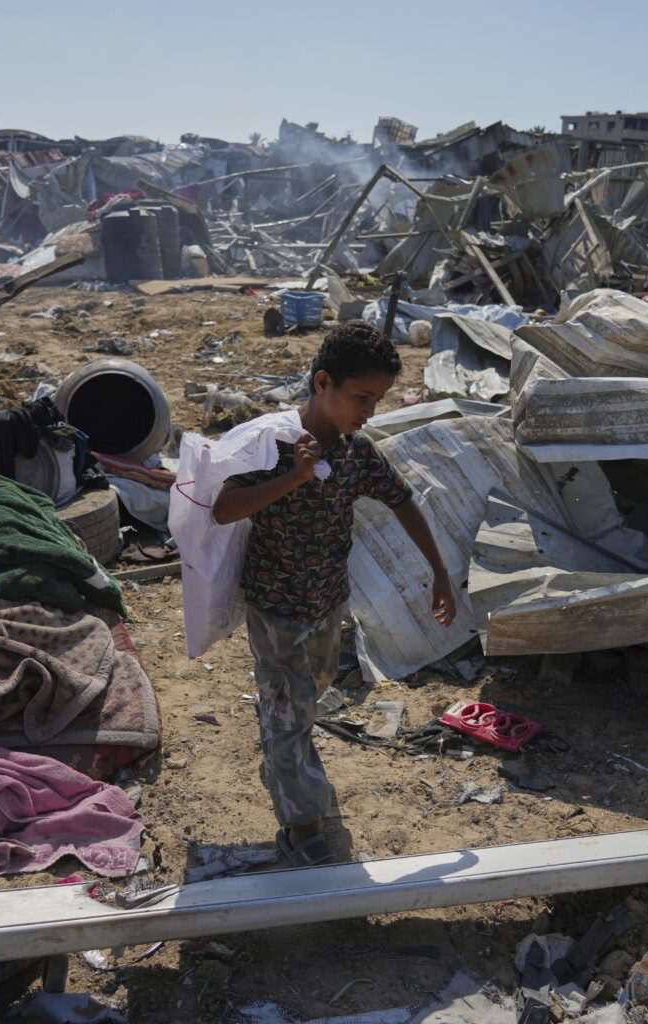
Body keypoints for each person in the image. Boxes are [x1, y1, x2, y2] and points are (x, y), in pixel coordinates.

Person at [211, 322, 456, 867]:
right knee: (289, 712)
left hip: (327, 602)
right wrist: (294, 478)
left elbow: (402, 500)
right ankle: (302, 826)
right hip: (275, 605)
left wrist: (439, 571)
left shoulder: (356, 453)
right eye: (361, 397)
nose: (368, 411)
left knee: (311, 691)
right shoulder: (274, 446)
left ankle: (283, 751)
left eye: (378, 400)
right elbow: (224, 509)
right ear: (323, 382)